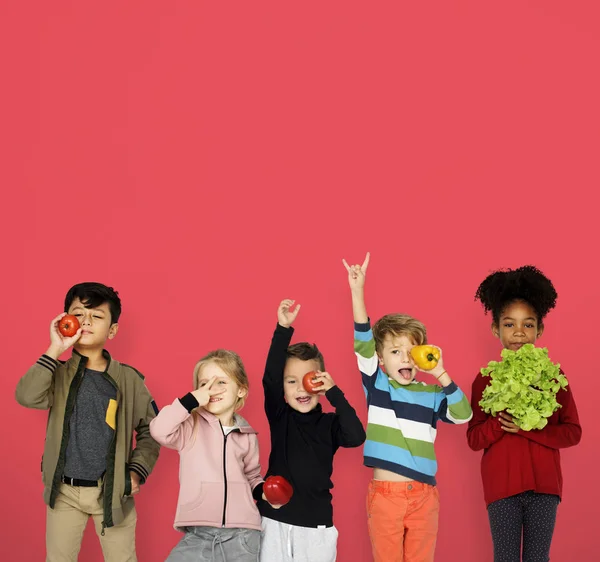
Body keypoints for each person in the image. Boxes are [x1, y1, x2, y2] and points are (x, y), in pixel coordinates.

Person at [16, 282, 160, 562]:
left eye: (97, 316)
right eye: (79, 314)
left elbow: (151, 430)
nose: (86, 321)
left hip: (113, 493)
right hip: (64, 492)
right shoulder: (55, 372)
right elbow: (26, 396)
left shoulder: (129, 380)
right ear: (65, 320)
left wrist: (136, 472)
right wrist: (55, 348)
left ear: (113, 330)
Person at [467, 265, 582, 562]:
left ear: (539, 330)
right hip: (501, 487)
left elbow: (572, 432)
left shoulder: (554, 377)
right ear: (496, 329)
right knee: (504, 557)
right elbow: (474, 439)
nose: (519, 332)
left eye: (528, 325)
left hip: (545, 487)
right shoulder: (485, 380)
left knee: (537, 559)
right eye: (509, 324)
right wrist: (498, 424)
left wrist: (528, 429)